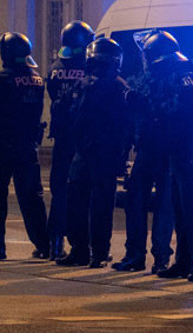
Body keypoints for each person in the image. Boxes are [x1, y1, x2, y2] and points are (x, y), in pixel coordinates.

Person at [140, 31, 193, 282]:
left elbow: (186, 111)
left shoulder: (184, 75)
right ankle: (184, 261)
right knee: (180, 208)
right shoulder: (172, 74)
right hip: (175, 150)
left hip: (189, 150)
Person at [0, 32, 49, 261]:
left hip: (3, 146)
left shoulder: (0, 80)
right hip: (27, 146)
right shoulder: (36, 79)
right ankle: (44, 244)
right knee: (31, 197)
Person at [56, 38, 130, 268]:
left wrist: (120, 155)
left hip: (104, 154)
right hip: (83, 152)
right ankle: (79, 249)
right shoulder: (84, 84)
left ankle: (99, 252)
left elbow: (124, 127)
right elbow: (69, 114)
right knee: (76, 201)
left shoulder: (119, 88)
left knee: (101, 204)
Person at [111, 67, 174, 274]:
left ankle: (154, 256)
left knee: (157, 205)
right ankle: (145, 256)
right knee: (141, 203)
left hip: (159, 150)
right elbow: (132, 119)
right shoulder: (146, 81)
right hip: (149, 149)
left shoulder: (167, 81)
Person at [46, 21, 94, 260]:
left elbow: (53, 95)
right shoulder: (88, 69)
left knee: (59, 190)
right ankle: (82, 244)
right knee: (79, 192)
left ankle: (54, 244)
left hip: (61, 137)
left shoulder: (55, 67)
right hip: (81, 138)